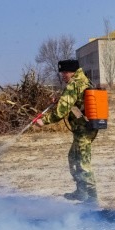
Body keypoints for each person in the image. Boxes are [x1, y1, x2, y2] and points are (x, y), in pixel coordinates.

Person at [35, 59, 99, 203]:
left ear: (72, 71)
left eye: (65, 72)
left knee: (83, 163)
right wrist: (60, 101)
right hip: (84, 128)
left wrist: (43, 121)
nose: (63, 75)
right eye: (62, 72)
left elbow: (61, 112)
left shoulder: (74, 85)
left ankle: (92, 201)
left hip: (84, 130)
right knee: (73, 158)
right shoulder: (83, 82)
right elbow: (75, 106)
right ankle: (82, 192)